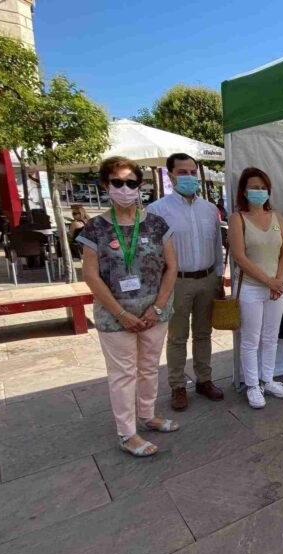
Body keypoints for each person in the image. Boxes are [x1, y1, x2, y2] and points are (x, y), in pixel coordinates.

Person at [78, 156, 179, 457]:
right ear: (105, 185)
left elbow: (171, 267)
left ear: (139, 186)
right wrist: (121, 314)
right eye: (117, 182)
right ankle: (127, 433)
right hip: (115, 316)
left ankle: (147, 415)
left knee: (149, 367)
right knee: (123, 374)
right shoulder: (95, 228)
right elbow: (90, 275)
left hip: (153, 312)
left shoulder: (156, 224)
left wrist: (157, 307)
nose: (125, 188)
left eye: (131, 182)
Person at [147, 153, 224, 411]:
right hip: (176, 282)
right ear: (170, 175)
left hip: (207, 279)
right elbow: (153, 254)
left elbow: (217, 245)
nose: (189, 177)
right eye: (182, 172)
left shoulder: (209, 209)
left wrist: (219, 278)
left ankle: (204, 379)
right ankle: (178, 386)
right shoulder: (157, 210)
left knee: (204, 333)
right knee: (177, 337)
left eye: (192, 172)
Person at [229, 167, 283, 409]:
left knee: (271, 337)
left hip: (276, 287)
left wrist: (279, 280)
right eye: (254, 187)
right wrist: (269, 281)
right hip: (251, 289)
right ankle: (252, 385)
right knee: (250, 339)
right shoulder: (237, 219)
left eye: (263, 187)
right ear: (244, 191)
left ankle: (268, 379)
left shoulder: (277, 217)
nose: (259, 191)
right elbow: (239, 257)